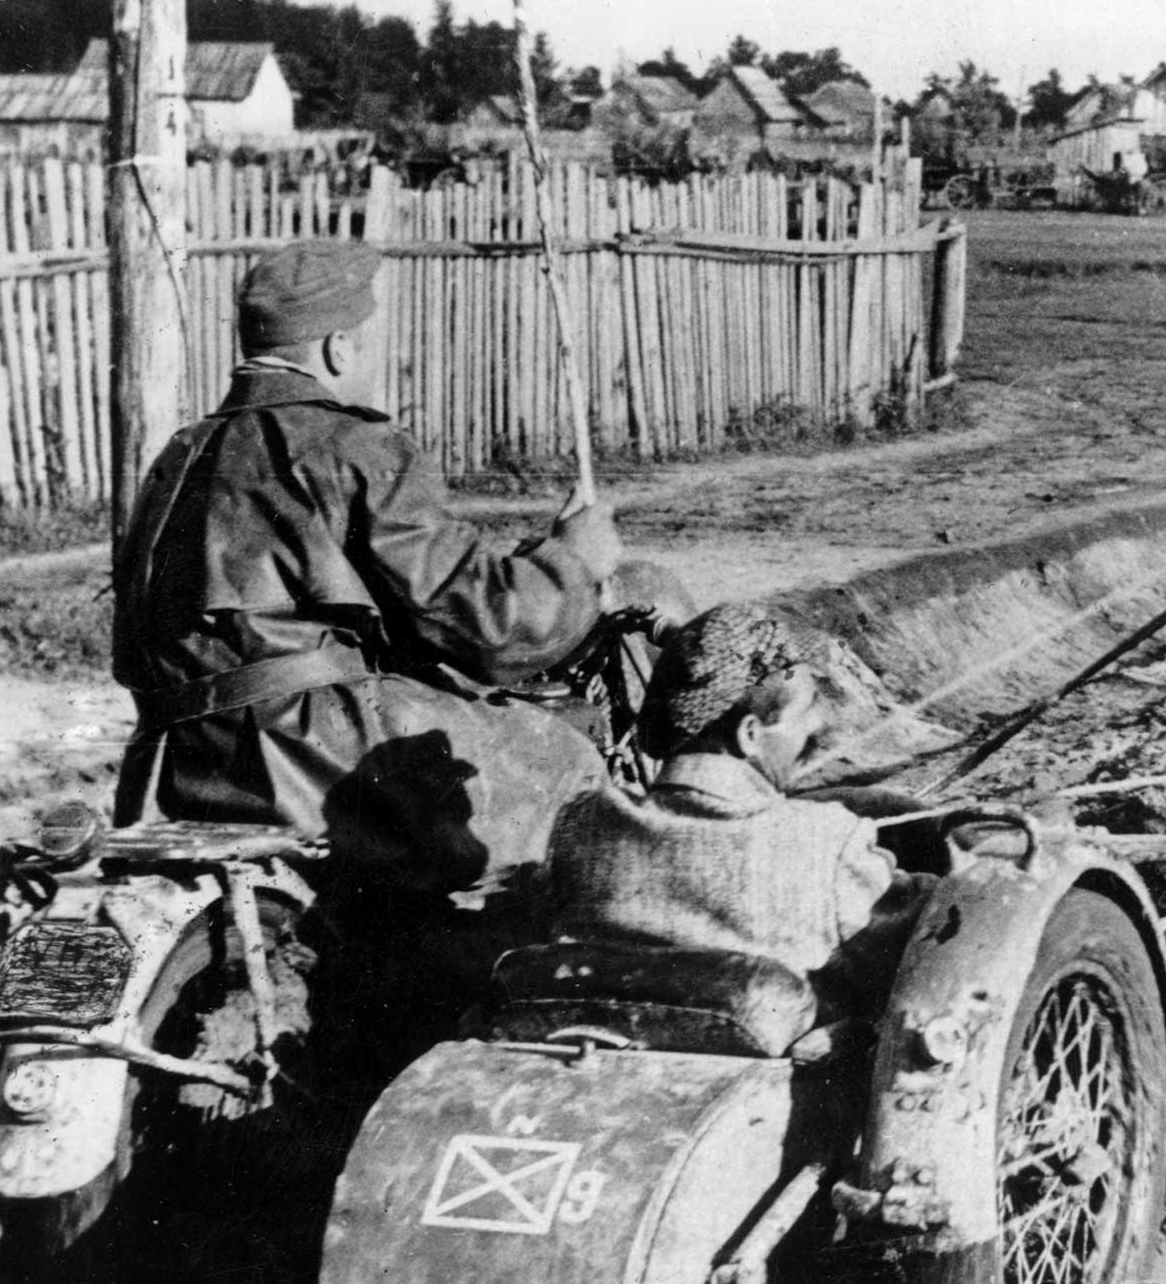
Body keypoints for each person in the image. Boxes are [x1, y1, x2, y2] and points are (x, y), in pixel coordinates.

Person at [113, 238, 622, 901]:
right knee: (570, 763)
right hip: (309, 757)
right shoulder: (352, 443)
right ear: (338, 349)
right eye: (370, 341)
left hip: (171, 763)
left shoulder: (179, 455)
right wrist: (571, 561)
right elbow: (488, 625)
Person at [549, 605, 927, 996]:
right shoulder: (824, 843)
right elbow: (933, 931)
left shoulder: (584, 825)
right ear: (749, 735)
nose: (817, 726)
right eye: (806, 711)